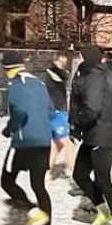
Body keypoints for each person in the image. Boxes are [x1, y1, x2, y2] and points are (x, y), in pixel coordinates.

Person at [70, 45, 112, 225]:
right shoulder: (107, 73)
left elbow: (93, 107)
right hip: (94, 133)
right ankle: (104, 211)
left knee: (103, 179)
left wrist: (78, 123)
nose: (79, 59)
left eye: (81, 56)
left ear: (87, 57)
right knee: (80, 174)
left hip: (102, 132)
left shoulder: (92, 77)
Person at [0, 52, 54, 225]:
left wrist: (9, 129)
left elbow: (19, 113)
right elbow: (50, 111)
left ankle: (33, 211)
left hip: (24, 142)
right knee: (39, 185)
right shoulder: (39, 83)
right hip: (44, 140)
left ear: (8, 68)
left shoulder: (15, 84)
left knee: (7, 181)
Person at [44, 51, 74, 179]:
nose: (62, 65)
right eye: (60, 62)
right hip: (56, 111)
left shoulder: (58, 73)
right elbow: (64, 76)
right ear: (55, 61)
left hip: (60, 110)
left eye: (64, 62)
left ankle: (47, 170)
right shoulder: (51, 73)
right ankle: (71, 169)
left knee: (57, 144)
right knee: (68, 143)